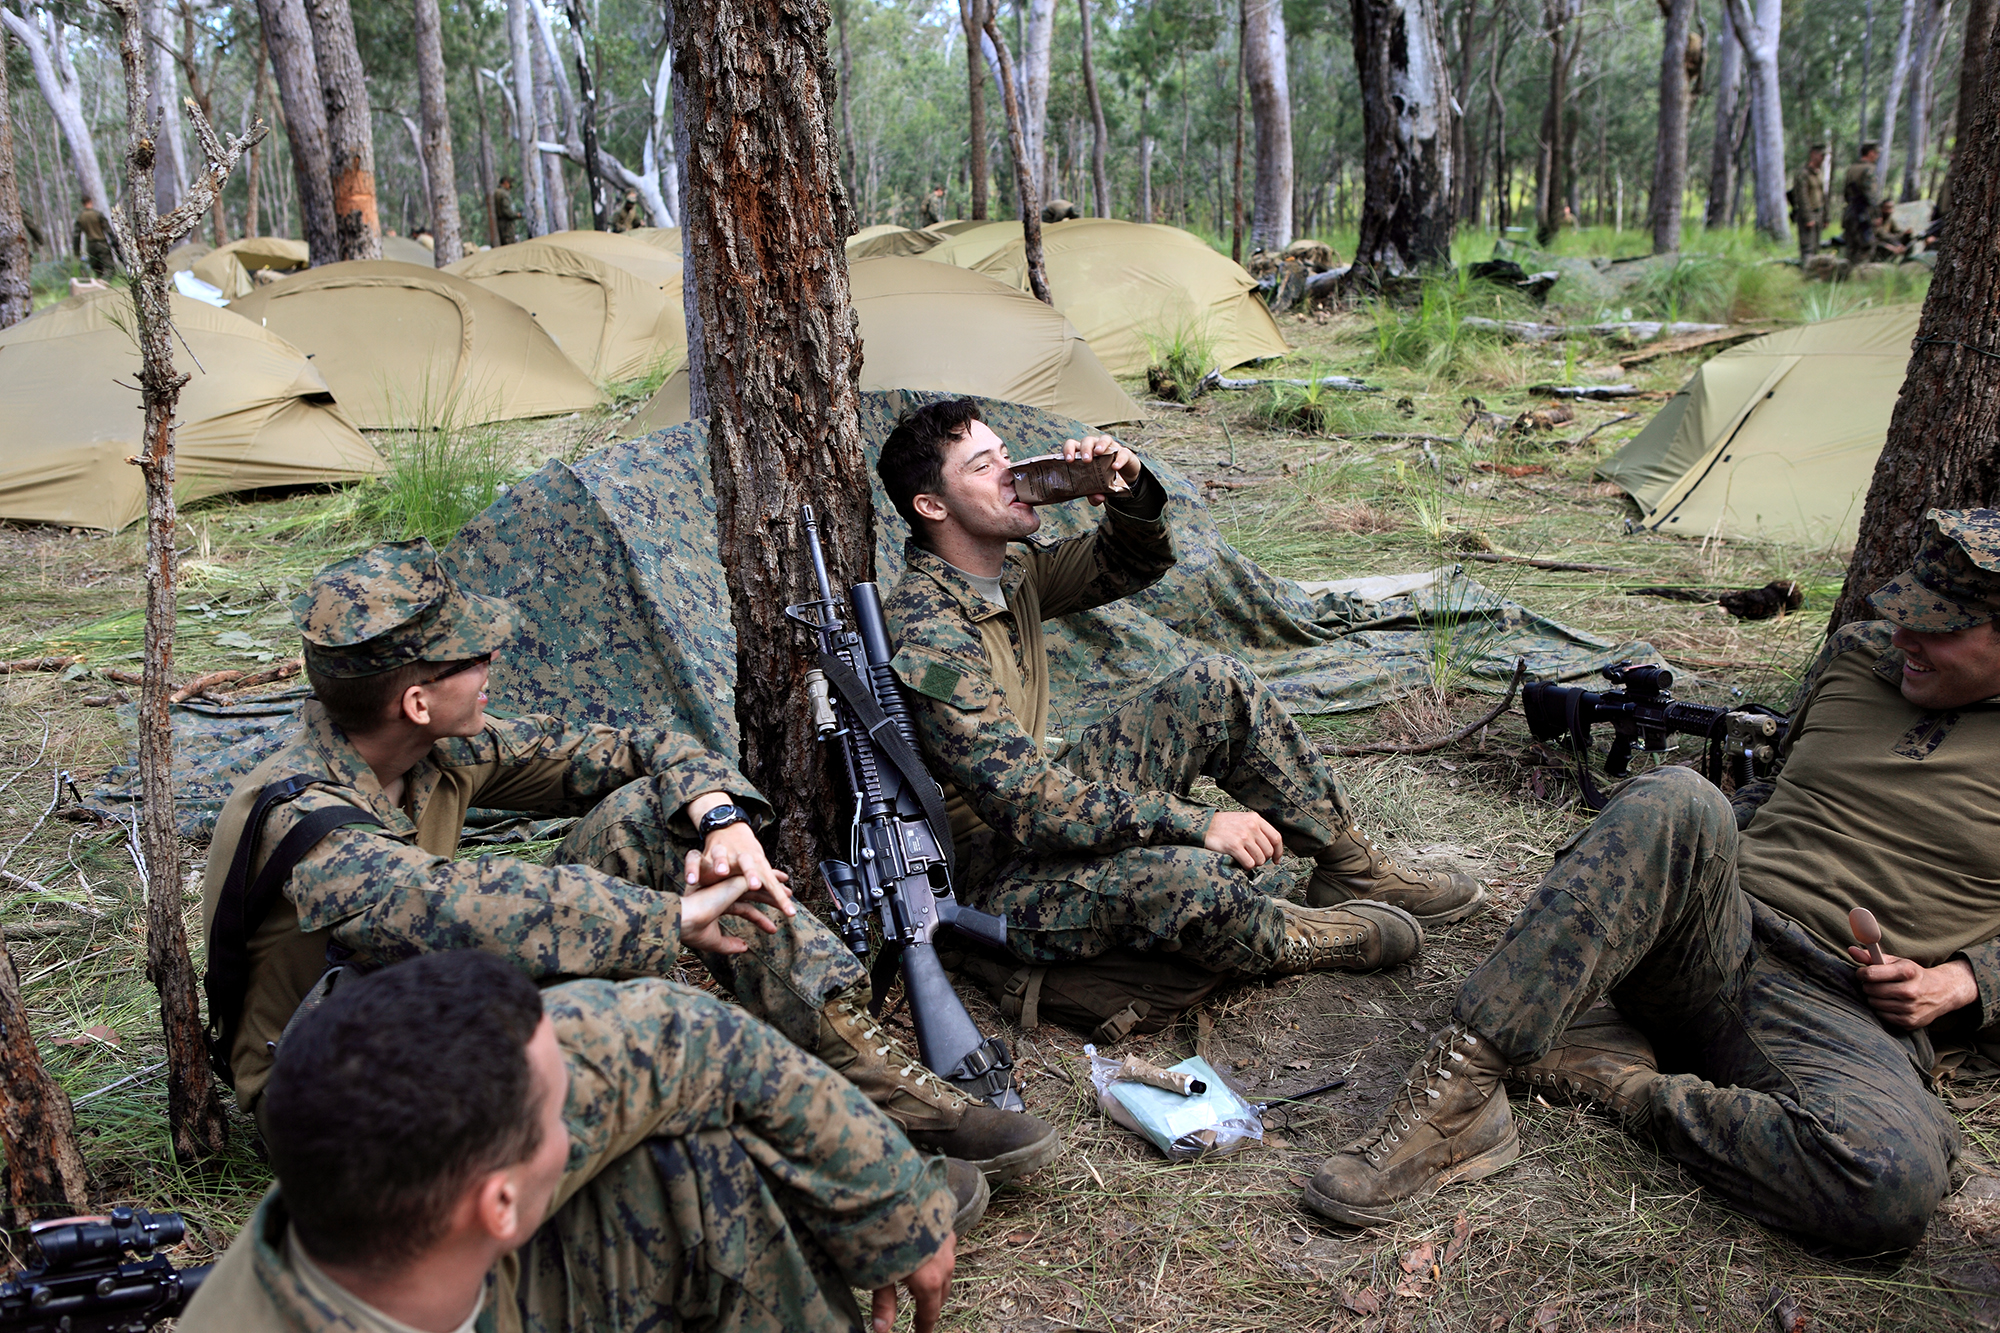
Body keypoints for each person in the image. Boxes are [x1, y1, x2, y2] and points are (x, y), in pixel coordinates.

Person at [202, 537, 1058, 1188]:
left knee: (653, 811)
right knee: (630, 1058)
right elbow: (448, 905)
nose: (495, 659)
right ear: (416, 699)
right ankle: (810, 1178)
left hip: (429, 1004)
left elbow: (639, 743)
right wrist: (670, 922)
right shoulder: (303, 815)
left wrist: (717, 816)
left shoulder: (430, 745)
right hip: (337, 1092)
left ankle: (872, 1080)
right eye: (472, 654)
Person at [1302, 508, 2000, 1257]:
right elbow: (1783, 792)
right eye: (1902, 613)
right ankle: (1463, 1093)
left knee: (1886, 1185)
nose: (1902, 637)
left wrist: (1964, 980)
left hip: (1843, 1007)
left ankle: (1620, 1080)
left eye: (1936, 626)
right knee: (1678, 796)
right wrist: (1675, 858)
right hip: (1706, 933)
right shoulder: (1858, 655)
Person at [875, 399, 1484, 989]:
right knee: (1194, 879)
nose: (1012, 473)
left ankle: (1352, 871)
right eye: (983, 467)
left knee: (1217, 686)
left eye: (1005, 453)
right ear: (932, 505)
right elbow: (1029, 806)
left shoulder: (1010, 571)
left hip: (1036, 811)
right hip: (981, 874)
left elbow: (1130, 562)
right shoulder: (930, 630)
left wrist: (1127, 486)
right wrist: (1198, 823)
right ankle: (1298, 934)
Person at [182, 950, 963, 1333]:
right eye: (558, 1116)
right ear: (498, 1201)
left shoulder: (387, 1179)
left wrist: (891, 1202)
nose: (581, 1117)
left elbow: (666, 1034)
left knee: (691, 1162)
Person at [1842, 142, 1884, 266]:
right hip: (1863, 214)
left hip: (1850, 211)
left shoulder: (1852, 168)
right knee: (1867, 245)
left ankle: (1847, 272)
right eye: (1876, 153)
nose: (1877, 156)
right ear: (1870, 153)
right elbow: (1871, 195)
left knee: (1851, 245)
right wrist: (1876, 214)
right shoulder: (1869, 169)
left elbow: (1845, 193)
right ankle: (1859, 272)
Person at [1789, 144, 1827, 261]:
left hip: (1818, 213)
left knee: (1816, 246)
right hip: (1808, 214)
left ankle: (1815, 272)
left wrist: (1826, 216)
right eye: (1821, 155)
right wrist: (1807, 217)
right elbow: (1802, 197)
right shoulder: (1803, 174)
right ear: (1813, 155)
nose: (1823, 159)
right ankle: (1806, 271)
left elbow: (1823, 196)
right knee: (1808, 247)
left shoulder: (1819, 173)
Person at [74, 196, 112, 279]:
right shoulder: (97, 214)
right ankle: (105, 282)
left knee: (97, 269)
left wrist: (76, 251)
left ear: (83, 204)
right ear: (91, 202)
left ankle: (100, 283)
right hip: (102, 243)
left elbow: (76, 236)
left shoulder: (80, 217)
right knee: (109, 266)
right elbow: (108, 230)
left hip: (91, 245)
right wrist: (115, 242)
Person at [493, 175, 521, 246]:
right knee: (509, 245)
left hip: (500, 224)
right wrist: (517, 215)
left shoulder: (496, 192)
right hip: (506, 225)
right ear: (505, 183)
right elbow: (507, 212)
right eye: (509, 183)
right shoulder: (503, 194)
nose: (510, 186)